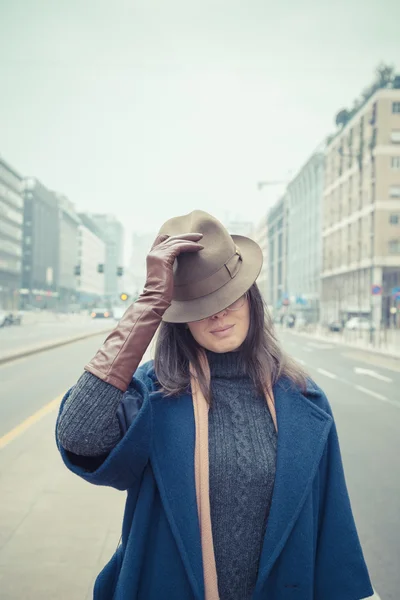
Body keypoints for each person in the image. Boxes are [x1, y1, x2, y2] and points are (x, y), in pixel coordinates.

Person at [56, 210, 374, 600]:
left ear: (251, 296)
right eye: (200, 305)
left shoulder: (303, 398)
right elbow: (80, 434)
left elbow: (332, 525)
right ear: (179, 318)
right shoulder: (152, 396)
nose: (219, 313)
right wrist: (148, 305)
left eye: (229, 296)